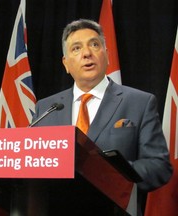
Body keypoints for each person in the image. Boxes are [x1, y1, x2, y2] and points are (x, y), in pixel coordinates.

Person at [31, 19, 172, 216]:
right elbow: (34, 163)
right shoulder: (46, 108)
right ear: (66, 64)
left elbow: (159, 166)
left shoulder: (140, 102)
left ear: (107, 55)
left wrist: (110, 174)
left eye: (94, 44)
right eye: (76, 48)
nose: (87, 53)